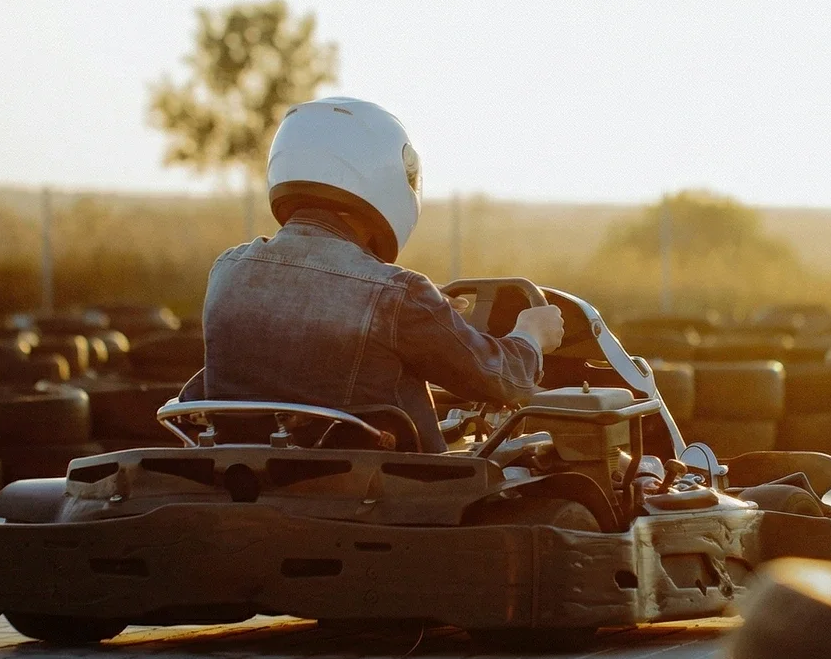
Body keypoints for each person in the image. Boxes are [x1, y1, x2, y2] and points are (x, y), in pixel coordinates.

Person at [183, 96, 563, 452]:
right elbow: (501, 380)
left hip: (249, 482)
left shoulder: (228, 272)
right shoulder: (399, 295)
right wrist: (530, 335)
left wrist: (427, 312)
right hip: (388, 496)